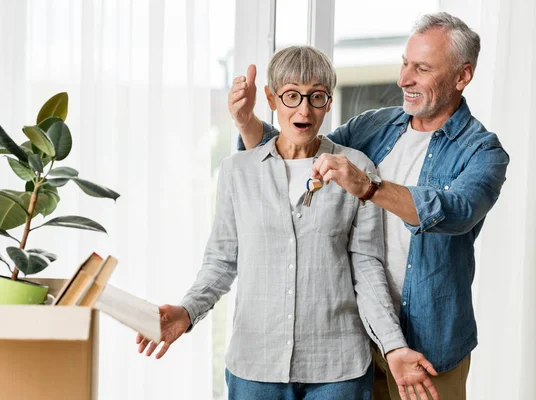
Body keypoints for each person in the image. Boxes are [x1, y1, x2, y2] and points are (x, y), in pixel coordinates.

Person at [229, 12, 509, 400]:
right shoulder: (372, 127)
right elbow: (299, 152)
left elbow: (454, 210)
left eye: (422, 69)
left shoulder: (483, 152)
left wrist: (369, 187)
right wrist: (247, 124)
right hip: (358, 344)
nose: (403, 80)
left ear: (462, 76)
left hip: (431, 350)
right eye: (404, 64)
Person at [136, 45, 439, 400]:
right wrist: (188, 311)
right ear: (271, 98)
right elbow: (221, 260)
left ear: (328, 102)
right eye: (292, 96)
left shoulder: (357, 169)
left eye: (316, 97)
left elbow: (367, 268)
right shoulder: (238, 171)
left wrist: (393, 346)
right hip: (255, 366)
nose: (304, 109)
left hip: (338, 369)